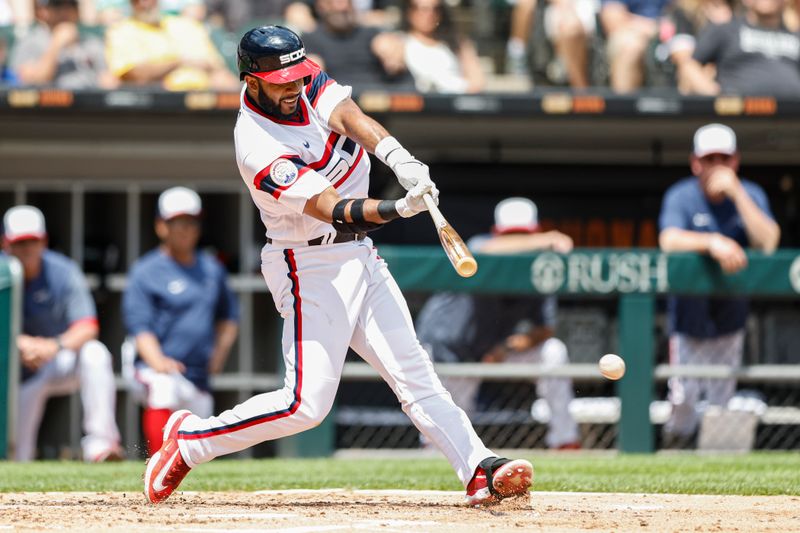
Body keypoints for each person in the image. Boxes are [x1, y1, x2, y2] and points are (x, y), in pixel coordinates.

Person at [143, 25, 533, 507]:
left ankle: (478, 468)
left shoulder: (303, 82)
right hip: (307, 264)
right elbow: (333, 209)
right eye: (281, 80)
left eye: (297, 75)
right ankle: (190, 441)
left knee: (415, 374)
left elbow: (349, 116)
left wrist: (398, 156)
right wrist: (396, 209)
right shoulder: (256, 144)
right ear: (252, 80)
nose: (294, 87)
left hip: (358, 256)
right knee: (304, 406)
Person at [416, 198, 580, 450]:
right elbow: (484, 250)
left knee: (553, 352)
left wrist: (509, 347)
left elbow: (545, 328)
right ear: (498, 234)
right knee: (443, 440)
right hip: (450, 350)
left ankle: (565, 441)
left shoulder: (538, 266)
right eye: (511, 236)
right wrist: (544, 239)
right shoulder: (481, 246)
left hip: (492, 349)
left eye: (522, 235)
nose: (518, 244)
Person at [658, 123, 780, 446]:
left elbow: (768, 242)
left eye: (723, 158)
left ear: (735, 161)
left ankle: (714, 466)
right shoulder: (682, 195)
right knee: (682, 399)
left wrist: (736, 192)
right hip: (688, 318)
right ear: (696, 162)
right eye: (709, 158)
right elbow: (668, 239)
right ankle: (675, 451)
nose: (717, 166)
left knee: (720, 402)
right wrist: (712, 241)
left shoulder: (750, 194)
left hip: (729, 317)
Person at [123, 187, 239, 457]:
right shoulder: (145, 270)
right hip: (152, 369)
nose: (185, 230)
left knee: (200, 442)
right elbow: (139, 327)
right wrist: (158, 362)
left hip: (197, 374)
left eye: (191, 223)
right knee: (164, 388)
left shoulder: (212, 269)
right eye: (177, 223)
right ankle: (158, 461)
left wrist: (218, 356)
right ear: (161, 226)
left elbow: (229, 317)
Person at [3, 205, 122, 462]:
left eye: (32, 242)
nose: (26, 249)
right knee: (16, 455)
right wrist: (19, 343)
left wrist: (51, 346)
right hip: (14, 371)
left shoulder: (62, 270)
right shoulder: (3, 272)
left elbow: (88, 326)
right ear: (6, 244)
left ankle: (101, 444)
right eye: (19, 243)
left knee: (95, 353)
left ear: (43, 241)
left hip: (53, 358)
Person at [105, 0, 239, 91]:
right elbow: (133, 73)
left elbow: (213, 65)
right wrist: (177, 62)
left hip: (202, 95)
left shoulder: (186, 25)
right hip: (160, 102)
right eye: (137, 0)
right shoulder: (121, 30)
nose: (144, 3)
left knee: (226, 81)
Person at [678, 0, 800, 96]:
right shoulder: (726, 30)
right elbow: (690, 65)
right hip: (739, 118)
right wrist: (715, 96)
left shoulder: (795, 36)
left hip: (792, 116)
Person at [302, 0, 415, 92]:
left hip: (378, 95)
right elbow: (313, 77)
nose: (343, 7)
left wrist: (394, 56)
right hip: (338, 101)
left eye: (347, 2)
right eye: (336, 2)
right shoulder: (311, 39)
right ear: (321, 6)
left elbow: (395, 60)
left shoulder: (371, 33)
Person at [9, 0, 117, 89]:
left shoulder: (92, 43)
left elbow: (110, 82)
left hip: (89, 109)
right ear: (42, 11)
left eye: (71, 5)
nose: (65, 11)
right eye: (57, 5)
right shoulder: (31, 42)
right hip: (46, 111)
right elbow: (32, 83)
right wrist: (57, 43)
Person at [505, 0, 597, 88]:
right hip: (557, 9)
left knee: (571, 29)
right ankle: (517, 55)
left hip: (578, 8)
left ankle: (581, 93)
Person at [400, 0, 485, 93]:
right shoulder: (399, 42)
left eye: (435, 9)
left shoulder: (458, 43)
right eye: (423, 9)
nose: (429, 14)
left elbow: (477, 81)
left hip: (455, 100)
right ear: (409, 12)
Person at [600, 0, 671, 92]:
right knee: (630, 47)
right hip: (632, 33)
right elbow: (614, 21)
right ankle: (625, 103)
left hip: (675, 36)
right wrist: (655, 28)